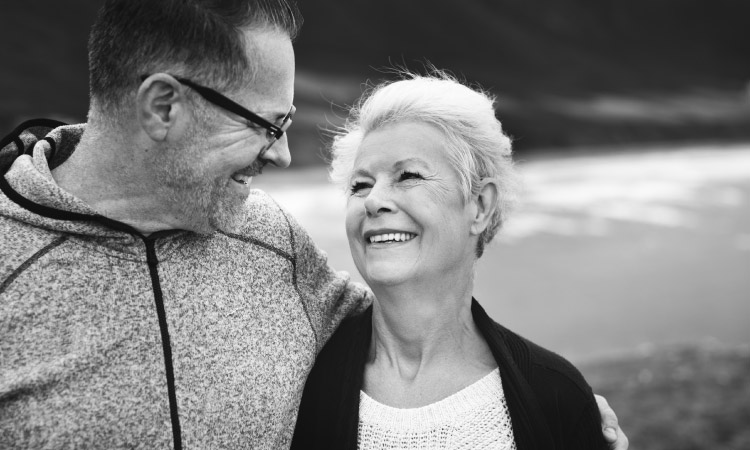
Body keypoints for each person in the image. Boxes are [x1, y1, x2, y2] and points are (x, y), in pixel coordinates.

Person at [0, 1, 626, 449]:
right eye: (269, 124)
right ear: (164, 105)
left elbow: (402, 311)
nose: (282, 155)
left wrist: (545, 401)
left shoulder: (270, 239)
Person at [292, 73, 624, 450]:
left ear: (480, 206)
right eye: (360, 184)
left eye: (408, 176)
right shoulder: (301, 378)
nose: (373, 200)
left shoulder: (555, 395)